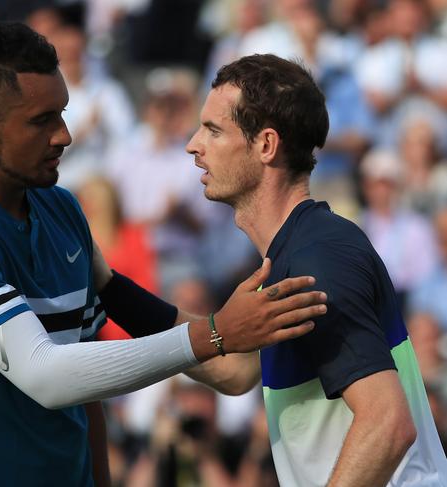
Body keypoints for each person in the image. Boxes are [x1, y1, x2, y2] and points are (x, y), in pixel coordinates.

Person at [0, 23, 328, 486]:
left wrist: (228, 344)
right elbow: (48, 375)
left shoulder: (61, 209)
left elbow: (90, 382)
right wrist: (213, 335)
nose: (65, 135)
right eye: (42, 119)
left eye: (64, 113)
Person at [185, 53, 447, 486]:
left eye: (213, 130)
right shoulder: (296, 253)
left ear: (266, 145)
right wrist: (111, 291)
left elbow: (388, 424)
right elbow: (232, 370)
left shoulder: (316, 259)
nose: (193, 144)